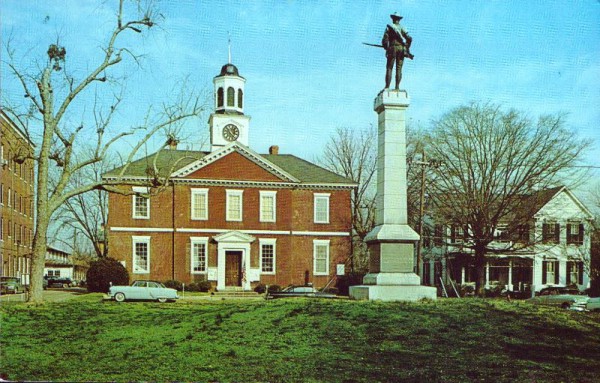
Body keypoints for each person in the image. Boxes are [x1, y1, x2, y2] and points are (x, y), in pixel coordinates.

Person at [382, 12, 413, 89]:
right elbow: (409, 38)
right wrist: (406, 48)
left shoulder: (389, 27)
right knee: (399, 68)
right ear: (399, 19)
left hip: (392, 48)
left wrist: (386, 47)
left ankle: (387, 87)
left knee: (389, 68)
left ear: (393, 18)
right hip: (401, 49)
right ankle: (397, 87)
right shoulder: (402, 28)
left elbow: (385, 40)